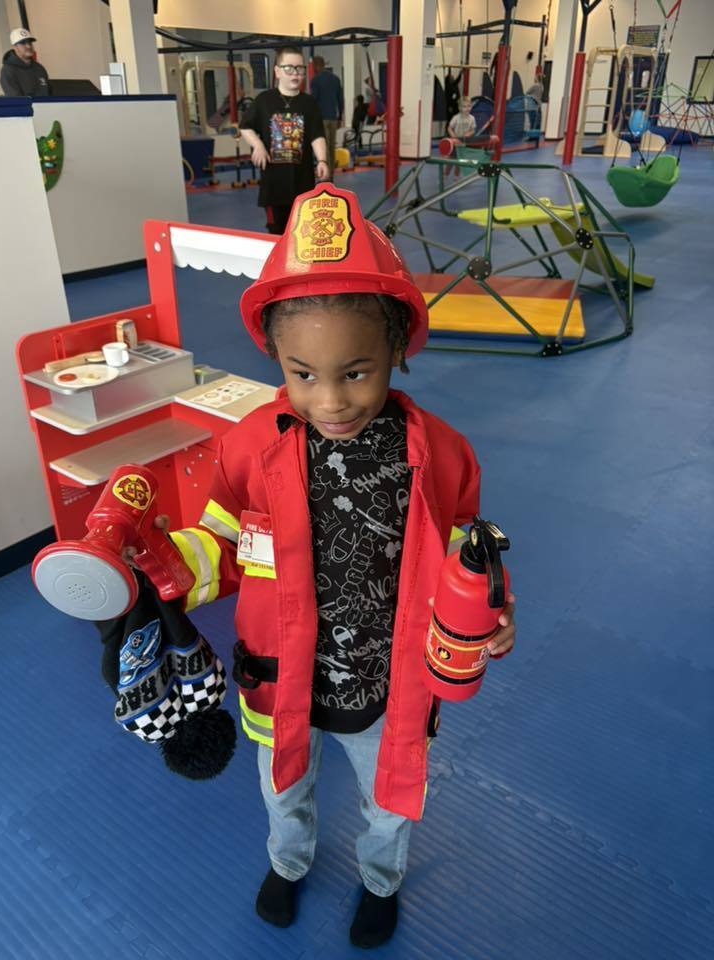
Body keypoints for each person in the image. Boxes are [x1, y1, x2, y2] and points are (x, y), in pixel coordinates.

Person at [159, 183, 517, 947]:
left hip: (388, 684)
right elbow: (217, 537)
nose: (330, 400)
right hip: (279, 672)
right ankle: (288, 864)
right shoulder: (250, 444)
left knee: (389, 799)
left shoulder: (442, 454)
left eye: (355, 372)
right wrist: (160, 574)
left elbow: (468, 548)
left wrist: (492, 608)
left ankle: (380, 881)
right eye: (302, 373)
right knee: (284, 784)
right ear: (276, 359)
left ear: (396, 348)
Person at [240, 46, 329, 235]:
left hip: (302, 182)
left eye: (300, 68)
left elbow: (317, 135)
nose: (295, 74)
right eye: (289, 68)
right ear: (277, 71)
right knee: (277, 232)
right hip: (273, 185)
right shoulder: (264, 100)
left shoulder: (309, 103)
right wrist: (258, 145)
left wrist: (322, 160)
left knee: (303, 232)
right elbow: (245, 126)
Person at [310, 55, 343, 178]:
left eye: (313, 66)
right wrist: (340, 117)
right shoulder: (335, 79)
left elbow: (313, 100)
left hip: (321, 118)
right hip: (333, 118)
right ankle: (331, 175)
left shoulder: (315, 80)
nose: (313, 68)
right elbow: (340, 99)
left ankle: (326, 176)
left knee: (323, 147)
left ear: (317, 65)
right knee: (331, 147)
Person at [0, 27, 51, 97]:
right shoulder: (8, 70)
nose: (29, 46)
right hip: (24, 108)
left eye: (30, 42)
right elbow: (16, 100)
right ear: (14, 47)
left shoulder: (39, 68)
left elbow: (49, 94)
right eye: (23, 43)